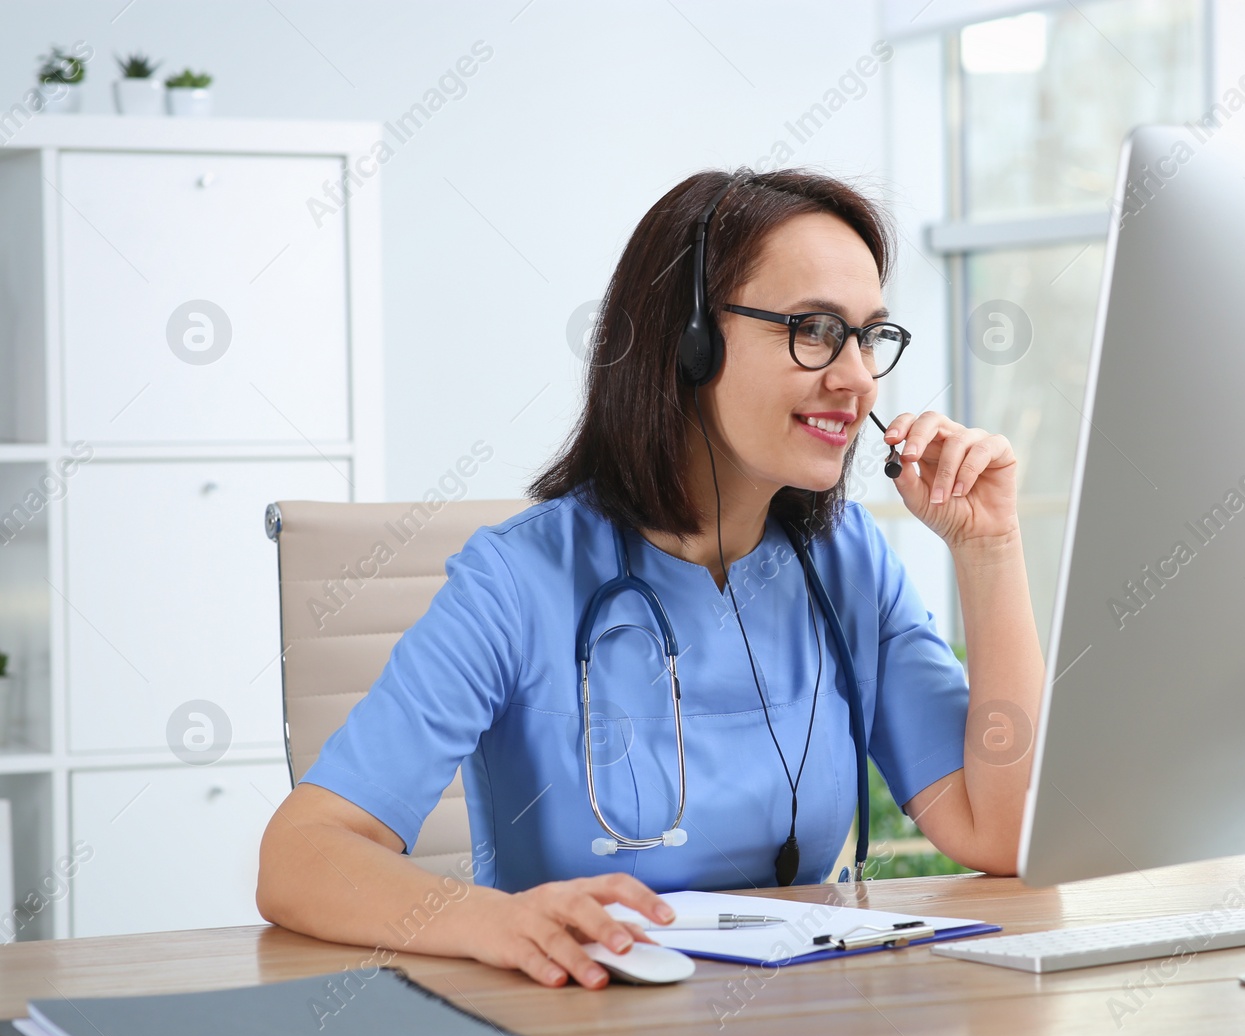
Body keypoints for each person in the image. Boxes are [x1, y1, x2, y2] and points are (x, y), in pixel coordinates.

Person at [257, 167, 1044, 990]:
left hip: (801, 1028)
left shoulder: (849, 562)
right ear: (690, 340)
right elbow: (300, 853)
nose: (857, 378)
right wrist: (493, 919)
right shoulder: (517, 577)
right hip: (585, 1022)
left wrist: (989, 549)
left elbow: (1003, 830)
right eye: (813, 330)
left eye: (868, 336)